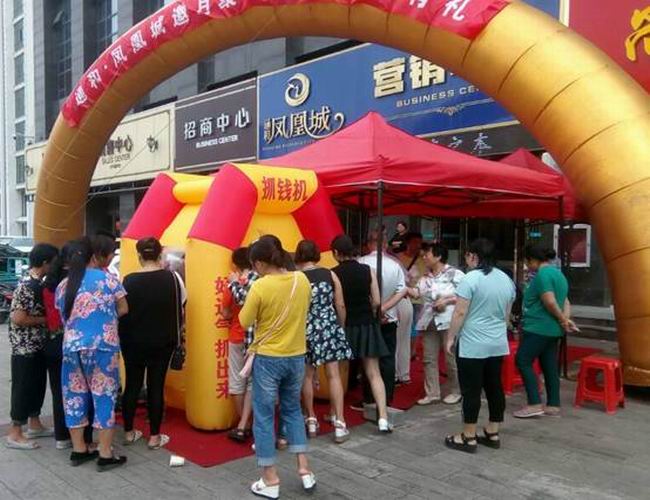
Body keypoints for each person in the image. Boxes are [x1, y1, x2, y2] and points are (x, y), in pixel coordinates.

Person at [239, 237, 316, 499]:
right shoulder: (301, 280)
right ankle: (304, 469)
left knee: (263, 416)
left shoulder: (260, 286)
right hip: (296, 356)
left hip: (268, 359)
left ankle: (270, 479)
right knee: (293, 410)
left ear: (260, 263)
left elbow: (245, 320)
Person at [56, 236, 129, 471]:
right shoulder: (108, 279)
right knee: (104, 396)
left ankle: (79, 450)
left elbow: (63, 317)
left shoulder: (63, 285)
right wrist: (105, 317)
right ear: (93, 256)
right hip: (102, 347)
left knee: (74, 397)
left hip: (71, 348)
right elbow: (124, 308)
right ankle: (105, 453)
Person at [444, 239, 516, 453]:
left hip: (472, 343)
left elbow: (460, 312)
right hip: (497, 342)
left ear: (474, 256)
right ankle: (493, 431)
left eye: (467, 255)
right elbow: (506, 315)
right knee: (494, 387)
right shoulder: (506, 279)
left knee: (471, 389)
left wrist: (450, 337)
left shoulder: (471, 278)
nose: (466, 259)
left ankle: (468, 436)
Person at [120, 237, 185, 449]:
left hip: (132, 342)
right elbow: (182, 305)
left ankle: (129, 432)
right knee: (156, 386)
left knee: (132, 385)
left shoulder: (128, 281)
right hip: (162, 341)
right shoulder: (173, 278)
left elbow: (121, 310)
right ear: (159, 255)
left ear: (139, 256)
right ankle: (155, 436)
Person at [331, 235, 392, 433]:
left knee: (339, 374)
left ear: (336, 253)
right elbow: (377, 301)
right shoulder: (368, 270)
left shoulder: (333, 273)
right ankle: (383, 418)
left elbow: (338, 304)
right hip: (367, 325)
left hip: (346, 326)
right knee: (374, 373)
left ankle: (337, 416)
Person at [294, 240, 353, 444]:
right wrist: (340, 326)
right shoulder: (330, 274)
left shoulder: (297, 278)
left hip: (305, 329)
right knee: (333, 375)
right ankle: (340, 423)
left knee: (307, 376)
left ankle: (311, 418)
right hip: (328, 327)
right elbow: (340, 304)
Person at [514, 245, 578, 419]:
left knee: (522, 360)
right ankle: (553, 404)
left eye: (527, 261)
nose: (527, 265)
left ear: (533, 259)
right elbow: (565, 301)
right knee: (549, 365)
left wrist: (563, 320)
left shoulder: (542, 275)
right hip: (553, 330)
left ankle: (534, 403)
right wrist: (565, 320)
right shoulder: (558, 275)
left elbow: (549, 301)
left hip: (538, 327)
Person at [43, 242, 95, 450]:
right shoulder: (82, 280)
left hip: (53, 340)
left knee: (60, 392)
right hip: (76, 341)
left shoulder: (49, 281)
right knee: (85, 390)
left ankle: (62, 436)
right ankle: (85, 439)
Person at [6, 244, 58, 450]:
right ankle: (15, 433)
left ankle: (34, 424)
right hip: (24, 347)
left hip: (37, 345)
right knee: (23, 387)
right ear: (45, 263)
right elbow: (19, 318)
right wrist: (46, 320)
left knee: (37, 385)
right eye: (54, 262)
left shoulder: (37, 283)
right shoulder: (27, 286)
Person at [409, 242, 464, 406]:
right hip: (428, 321)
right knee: (429, 358)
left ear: (438, 256)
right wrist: (404, 287)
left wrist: (447, 300)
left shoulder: (454, 273)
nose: (424, 257)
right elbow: (417, 293)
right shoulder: (425, 277)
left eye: (427, 254)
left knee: (450, 357)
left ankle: (457, 391)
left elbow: (465, 296)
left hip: (448, 321)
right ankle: (432, 393)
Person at [358, 229, 407, 408]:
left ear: (368, 244)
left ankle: (369, 397)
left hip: (368, 317)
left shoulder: (361, 263)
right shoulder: (395, 265)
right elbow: (402, 290)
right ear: (385, 244)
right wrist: (385, 307)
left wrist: (376, 309)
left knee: (369, 358)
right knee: (388, 358)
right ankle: (387, 397)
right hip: (389, 316)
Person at [224, 247, 256, 443]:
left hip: (236, 336)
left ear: (235, 264)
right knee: (252, 382)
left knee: (237, 382)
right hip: (254, 338)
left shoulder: (232, 283)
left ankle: (244, 425)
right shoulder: (258, 279)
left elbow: (225, 313)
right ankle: (246, 423)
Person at [396, 232, 426, 383]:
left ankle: (412, 351)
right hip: (403, 297)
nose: (417, 245)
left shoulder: (423, 259)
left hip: (419, 297)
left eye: (419, 242)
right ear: (407, 243)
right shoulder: (398, 258)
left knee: (415, 326)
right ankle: (405, 354)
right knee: (404, 328)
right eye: (414, 242)